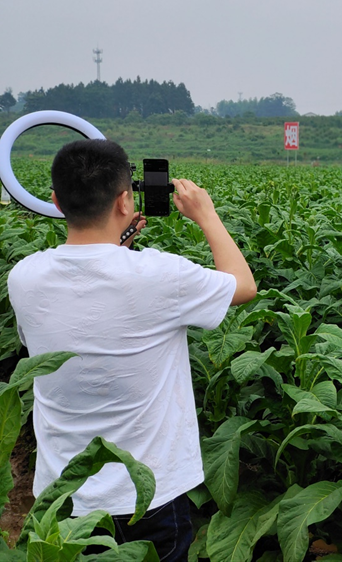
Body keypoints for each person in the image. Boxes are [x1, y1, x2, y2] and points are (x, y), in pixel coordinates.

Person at [7, 139, 257, 561]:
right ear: (125, 200)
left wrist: (116, 251)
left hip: (64, 496)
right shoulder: (161, 275)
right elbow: (243, 285)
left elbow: (84, 307)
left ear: (54, 200)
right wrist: (206, 215)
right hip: (149, 495)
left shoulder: (23, 277)